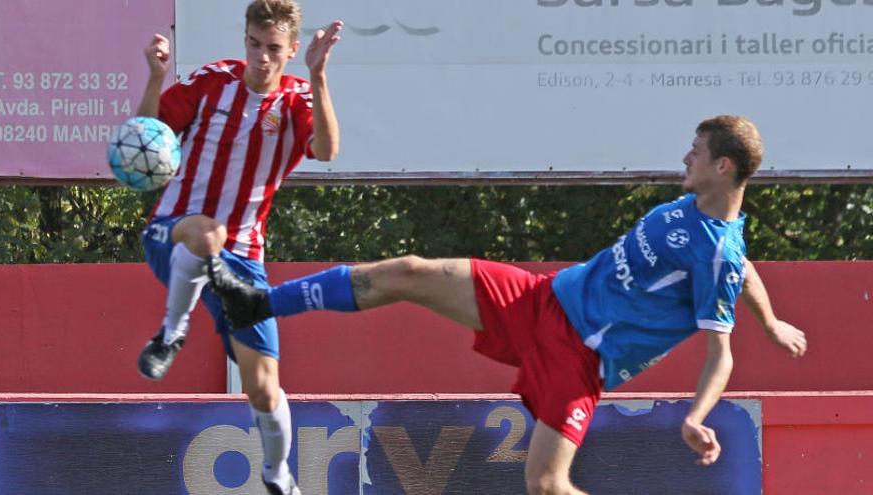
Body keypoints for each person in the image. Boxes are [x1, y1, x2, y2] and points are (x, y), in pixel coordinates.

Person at [206, 115, 808, 494]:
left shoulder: (717, 253)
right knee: (409, 271)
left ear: (722, 165)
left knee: (546, 485)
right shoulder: (699, 218)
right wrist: (774, 319)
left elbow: (721, 351)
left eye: (696, 151)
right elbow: (747, 272)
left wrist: (698, 416)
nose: (685, 158)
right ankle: (257, 303)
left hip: (579, 358)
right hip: (539, 299)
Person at [135, 1, 343, 493]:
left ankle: (278, 475)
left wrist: (318, 75)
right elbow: (147, 133)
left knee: (264, 385)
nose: (261, 58)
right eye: (254, 44)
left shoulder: (296, 100)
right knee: (207, 232)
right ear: (244, 40)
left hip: (243, 260)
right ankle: (171, 332)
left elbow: (328, 150)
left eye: (273, 49)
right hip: (174, 232)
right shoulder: (213, 82)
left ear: (292, 51)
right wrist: (154, 76)